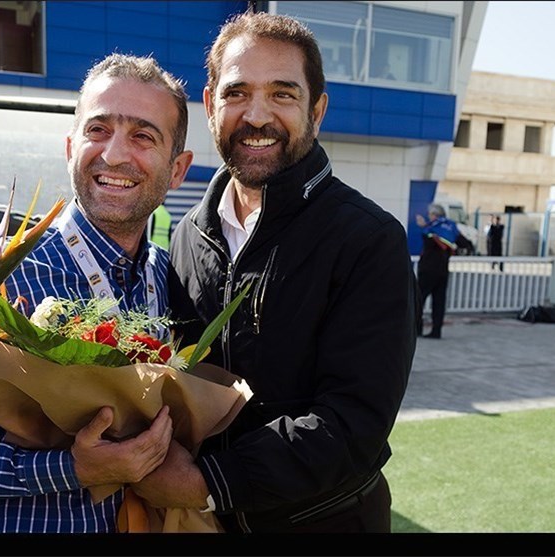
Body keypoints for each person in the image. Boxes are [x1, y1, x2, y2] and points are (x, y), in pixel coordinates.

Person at [130, 12, 419, 533]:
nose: (257, 115)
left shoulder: (369, 239)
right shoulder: (187, 235)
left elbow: (354, 422)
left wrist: (209, 483)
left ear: (317, 110)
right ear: (210, 105)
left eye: (283, 94)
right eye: (237, 93)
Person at [0, 53, 194, 533]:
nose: (114, 154)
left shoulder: (162, 274)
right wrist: (70, 469)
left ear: (177, 169)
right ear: (71, 147)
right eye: (98, 130)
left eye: (143, 136)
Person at [415, 203, 459, 339]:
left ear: (434, 215)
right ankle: (436, 330)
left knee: (418, 299)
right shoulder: (450, 227)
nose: (429, 216)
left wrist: (423, 226)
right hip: (443, 270)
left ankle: (417, 329)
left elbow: (429, 240)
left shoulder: (432, 228)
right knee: (439, 301)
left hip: (428, 269)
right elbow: (462, 243)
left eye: (430, 214)